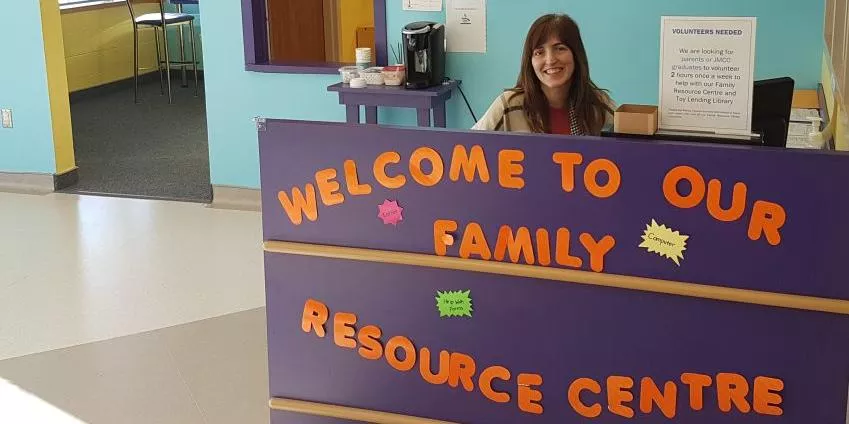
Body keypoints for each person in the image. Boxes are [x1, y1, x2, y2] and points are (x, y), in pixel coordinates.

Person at [472, 14, 614, 136]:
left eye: (560, 48)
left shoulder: (600, 105)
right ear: (530, 61)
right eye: (539, 52)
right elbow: (465, 150)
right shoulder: (508, 106)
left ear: (576, 55)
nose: (550, 60)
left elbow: (630, 152)